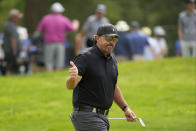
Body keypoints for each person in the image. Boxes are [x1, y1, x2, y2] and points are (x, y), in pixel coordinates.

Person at [66, 24, 137, 131]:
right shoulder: (85, 57)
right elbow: (71, 86)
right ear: (97, 38)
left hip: (102, 117)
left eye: (115, 38)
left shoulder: (112, 59)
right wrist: (72, 77)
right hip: (87, 116)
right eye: (108, 38)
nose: (111, 42)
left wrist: (125, 108)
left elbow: (113, 87)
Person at [36, 2, 79, 72]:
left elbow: (39, 30)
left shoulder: (46, 18)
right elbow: (73, 28)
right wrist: (76, 23)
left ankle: (49, 77)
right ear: (60, 11)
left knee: (48, 62)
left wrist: (45, 35)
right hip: (60, 43)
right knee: (59, 62)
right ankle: (57, 77)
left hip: (49, 43)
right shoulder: (64, 19)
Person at [3, 9, 23, 75]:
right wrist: (15, 53)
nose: (18, 19)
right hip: (11, 51)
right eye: (17, 17)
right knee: (11, 68)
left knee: (11, 67)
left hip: (10, 50)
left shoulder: (10, 25)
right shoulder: (11, 26)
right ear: (13, 17)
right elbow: (13, 39)